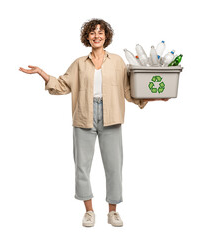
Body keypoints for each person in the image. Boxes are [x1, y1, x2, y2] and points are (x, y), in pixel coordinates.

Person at [19, 19, 166, 227]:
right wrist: (42, 74)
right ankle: (89, 211)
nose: (96, 36)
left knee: (114, 166)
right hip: (84, 116)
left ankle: (113, 212)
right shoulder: (79, 63)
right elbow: (62, 85)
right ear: (87, 37)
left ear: (106, 36)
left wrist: (152, 97)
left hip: (111, 115)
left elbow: (128, 90)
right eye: (92, 32)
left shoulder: (117, 62)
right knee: (82, 167)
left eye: (100, 32)